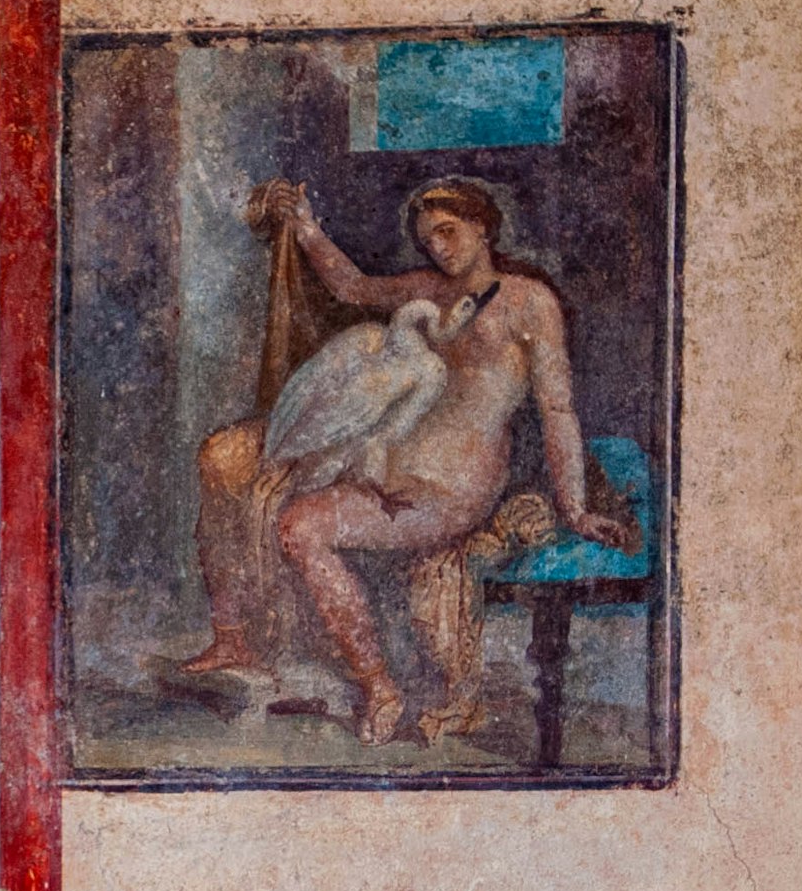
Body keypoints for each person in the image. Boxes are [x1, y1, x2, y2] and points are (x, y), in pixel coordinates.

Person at [183, 177, 630, 745]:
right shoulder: (425, 290)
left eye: (448, 232)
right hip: (377, 460)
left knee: (300, 526)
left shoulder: (530, 303)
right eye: (428, 239)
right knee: (223, 455)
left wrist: (575, 507)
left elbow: (558, 410)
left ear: (482, 228)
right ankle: (232, 635)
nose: (438, 248)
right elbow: (352, 287)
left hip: (448, 487)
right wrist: (306, 225)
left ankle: (379, 687)